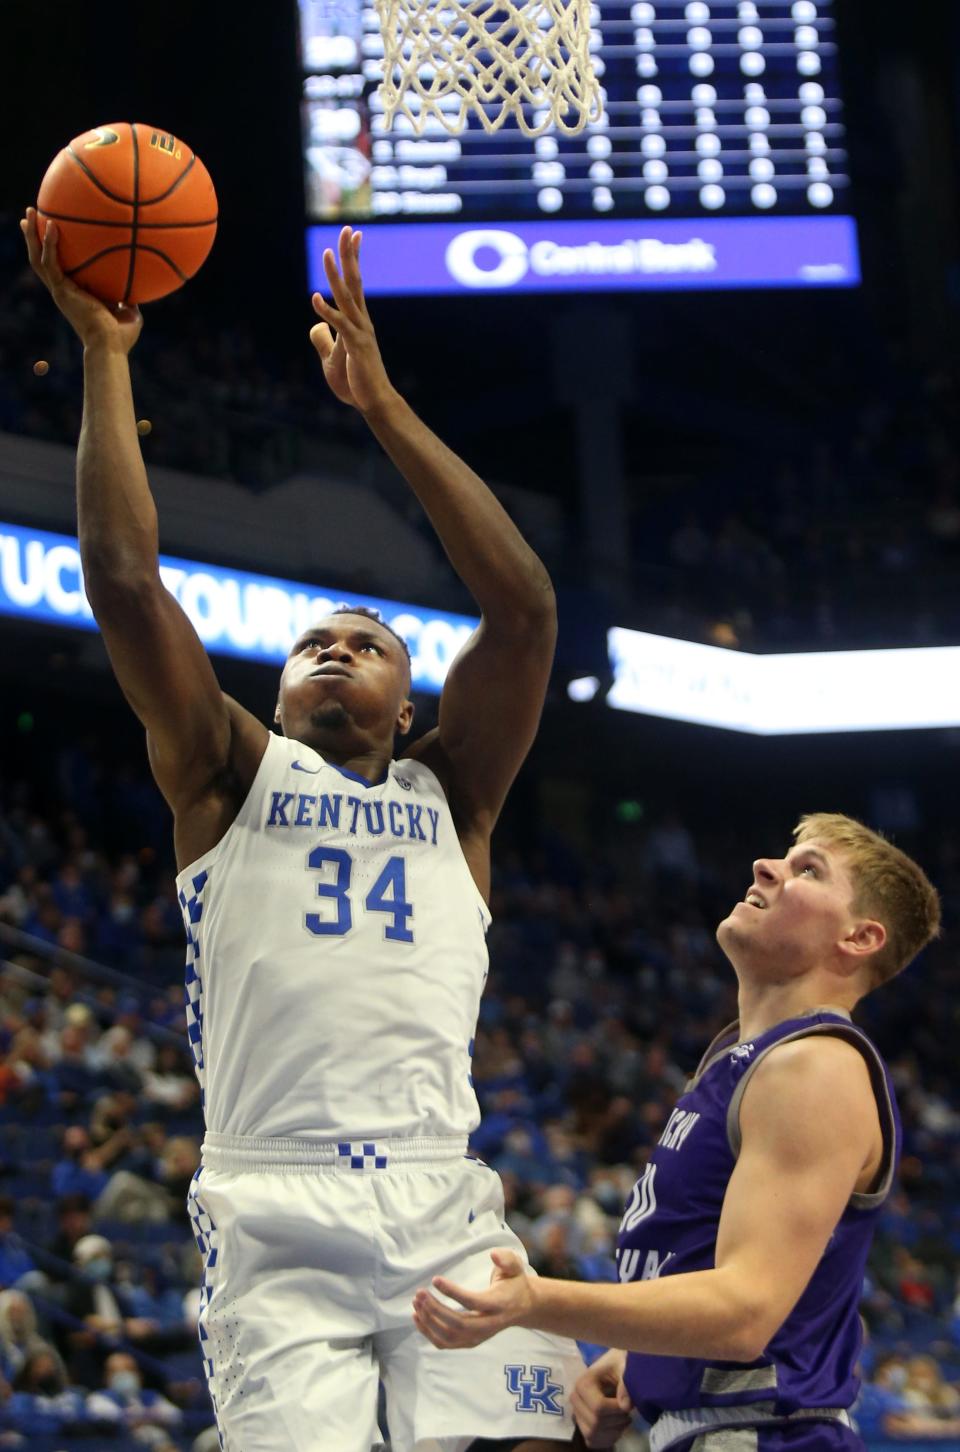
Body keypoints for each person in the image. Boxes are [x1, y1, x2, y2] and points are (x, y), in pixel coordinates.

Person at [22, 210, 583, 1452]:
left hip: (442, 1186)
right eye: (312, 644)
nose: (336, 647)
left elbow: (527, 609)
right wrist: (108, 358)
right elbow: (122, 579)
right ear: (275, 693)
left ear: (410, 699)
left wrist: (382, 408)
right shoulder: (225, 772)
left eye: (368, 644)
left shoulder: (459, 793)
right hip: (278, 1199)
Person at [412, 813, 941, 1452]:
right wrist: (641, 1358)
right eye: (785, 854)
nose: (766, 867)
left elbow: (746, 1312)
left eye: (808, 870)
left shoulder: (816, 1066)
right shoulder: (738, 1057)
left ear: (858, 937)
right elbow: (707, 1267)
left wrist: (536, 1301)